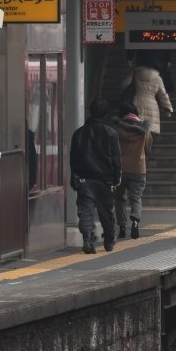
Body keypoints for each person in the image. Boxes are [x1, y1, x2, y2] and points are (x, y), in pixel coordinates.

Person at [69, 99, 121, 254]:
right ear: (106, 113)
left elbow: (73, 158)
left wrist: (74, 177)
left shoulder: (79, 133)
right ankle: (109, 239)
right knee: (106, 212)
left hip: (84, 179)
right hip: (104, 180)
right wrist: (116, 178)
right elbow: (116, 159)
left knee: (85, 211)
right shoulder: (111, 133)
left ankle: (88, 238)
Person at [112, 101, 153, 240]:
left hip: (120, 169)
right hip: (139, 169)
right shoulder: (145, 132)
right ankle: (135, 221)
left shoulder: (116, 129)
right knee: (136, 198)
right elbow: (148, 150)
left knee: (119, 198)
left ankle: (122, 226)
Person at [123, 51, 173, 136]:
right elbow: (163, 95)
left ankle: (138, 148)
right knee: (148, 135)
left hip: (136, 104)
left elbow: (124, 84)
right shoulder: (157, 78)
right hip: (152, 107)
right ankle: (146, 148)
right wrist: (168, 108)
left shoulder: (136, 73)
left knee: (136, 133)